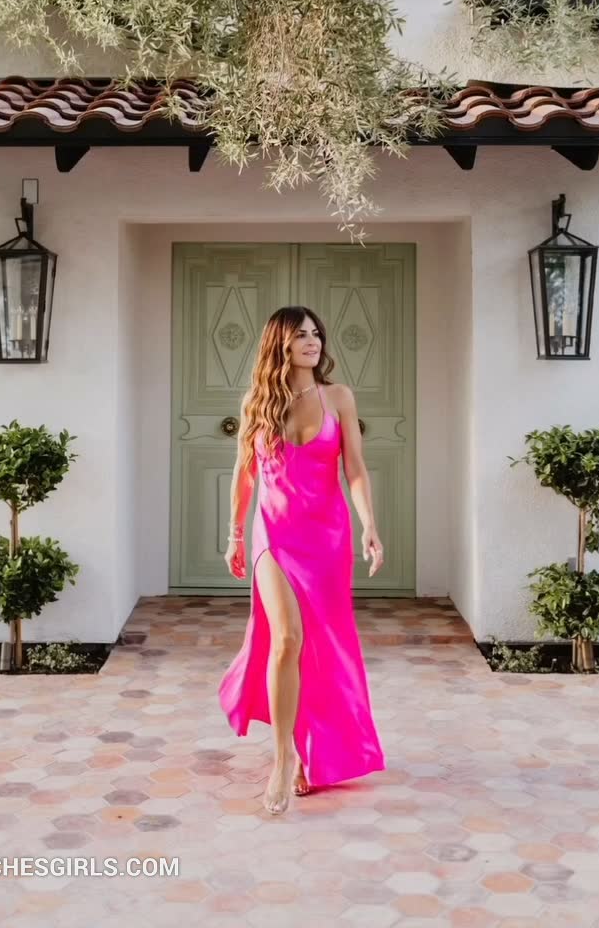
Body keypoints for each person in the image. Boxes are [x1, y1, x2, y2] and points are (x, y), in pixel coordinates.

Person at [217, 305, 387, 815]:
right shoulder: (257, 401)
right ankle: (283, 757)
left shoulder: (339, 397)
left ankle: (314, 746)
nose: (313, 342)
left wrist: (369, 525)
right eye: (301, 335)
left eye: (316, 334)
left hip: (327, 539)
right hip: (274, 534)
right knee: (287, 638)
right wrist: (235, 535)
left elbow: (355, 468)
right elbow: (245, 472)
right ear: (281, 344)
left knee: (321, 647)